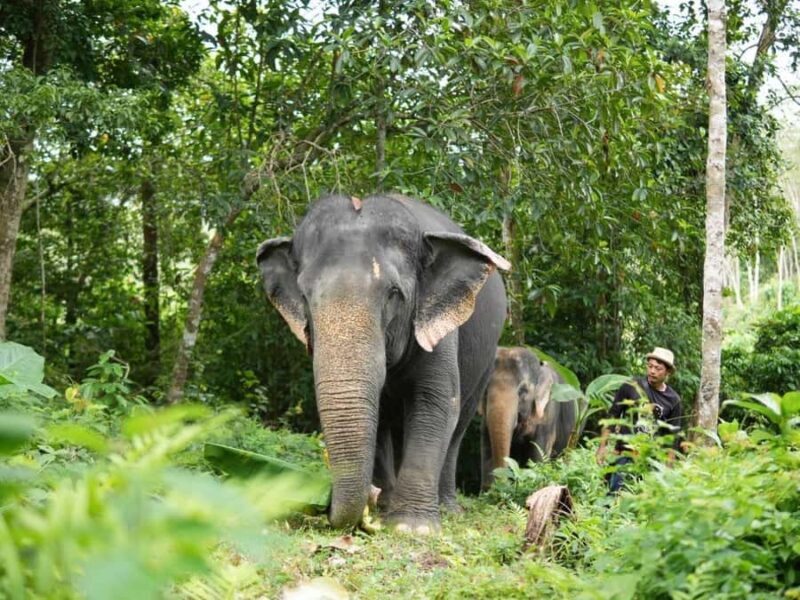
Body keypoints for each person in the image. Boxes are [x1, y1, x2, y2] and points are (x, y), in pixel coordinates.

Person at [595, 347, 684, 494]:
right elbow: (613, 416)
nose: (652, 371)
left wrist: (668, 468)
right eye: (650, 366)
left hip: (652, 459)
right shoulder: (632, 386)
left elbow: (672, 438)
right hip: (626, 454)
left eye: (658, 368)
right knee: (615, 495)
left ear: (668, 372)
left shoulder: (673, 400)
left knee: (644, 502)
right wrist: (602, 447)